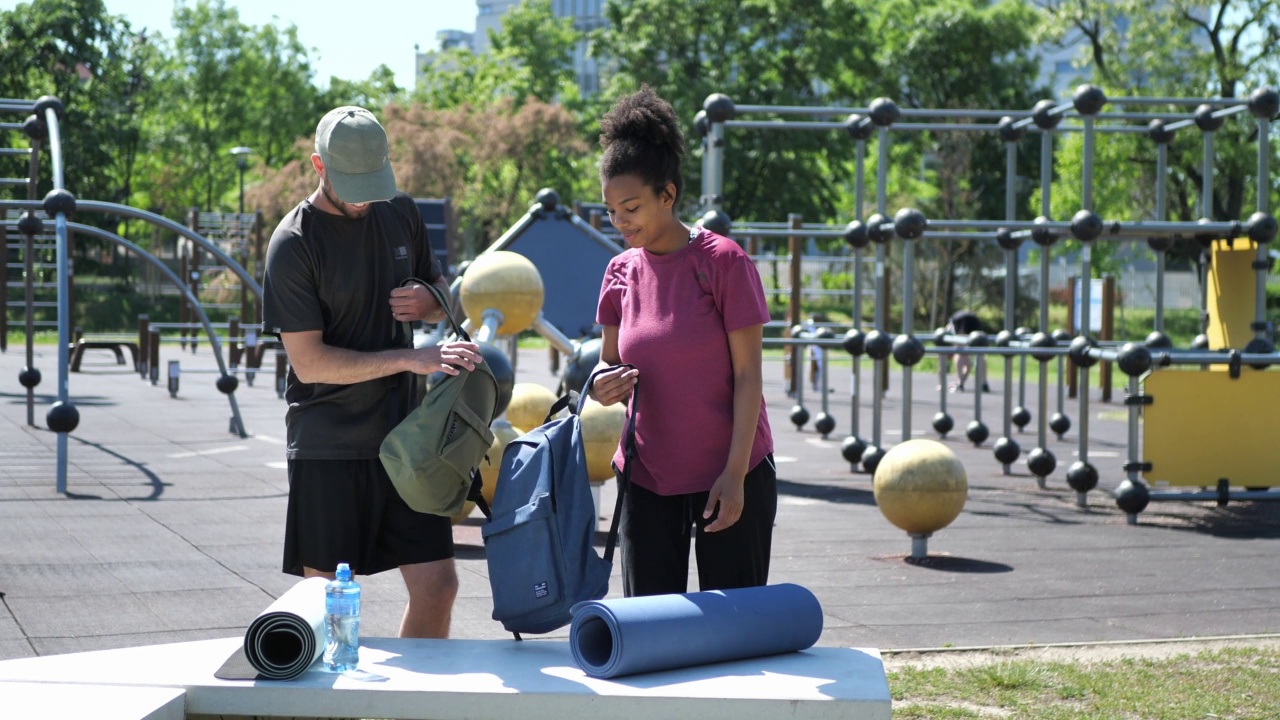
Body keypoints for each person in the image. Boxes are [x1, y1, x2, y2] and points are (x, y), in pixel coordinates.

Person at [261, 106, 483, 638]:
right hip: (328, 443)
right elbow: (309, 362)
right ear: (318, 165)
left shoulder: (399, 210)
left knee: (438, 586)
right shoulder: (292, 244)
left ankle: (411, 704)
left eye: (373, 183)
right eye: (353, 186)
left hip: (409, 439)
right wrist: (411, 358)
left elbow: (442, 291)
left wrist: (430, 300)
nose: (365, 197)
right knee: (324, 604)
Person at [587, 87, 777, 598]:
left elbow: (748, 377)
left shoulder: (723, 263)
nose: (620, 222)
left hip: (731, 472)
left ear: (667, 196)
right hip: (647, 479)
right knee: (650, 634)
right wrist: (604, 387)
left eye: (631, 207)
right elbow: (608, 366)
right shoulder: (618, 272)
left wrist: (734, 475)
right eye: (610, 211)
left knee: (733, 637)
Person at [946, 309, 988, 392]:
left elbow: (947, 334)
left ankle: (960, 382)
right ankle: (984, 382)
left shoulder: (952, 321)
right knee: (980, 353)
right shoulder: (967, 317)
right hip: (974, 319)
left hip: (962, 320)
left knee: (959, 353)